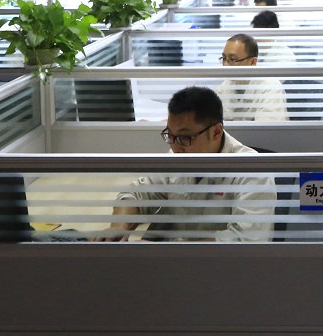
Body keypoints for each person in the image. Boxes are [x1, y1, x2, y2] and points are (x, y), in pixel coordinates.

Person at [99, 86, 273, 241]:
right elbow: (136, 194)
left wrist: (178, 253)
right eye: (170, 135)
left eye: (185, 137)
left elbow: (243, 242)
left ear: (216, 132)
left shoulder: (252, 172)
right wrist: (118, 227)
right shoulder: (177, 158)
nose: (175, 147)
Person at [215, 34, 289, 120]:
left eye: (233, 59)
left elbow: (266, 127)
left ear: (252, 62)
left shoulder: (270, 87)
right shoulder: (223, 88)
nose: (226, 65)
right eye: (224, 58)